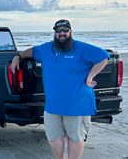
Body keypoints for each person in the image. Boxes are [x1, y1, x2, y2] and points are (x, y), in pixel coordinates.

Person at [11, 19, 109, 159]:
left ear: (70, 32)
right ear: (55, 32)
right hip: (52, 106)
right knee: (54, 138)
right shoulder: (46, 49)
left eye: (65, 30)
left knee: (75, 139)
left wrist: (90, 77)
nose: (62, 33)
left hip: (77, 104)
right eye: (59, 31)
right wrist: (18, 56)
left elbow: (103, 57)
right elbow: (31, 51)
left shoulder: (81, 48)